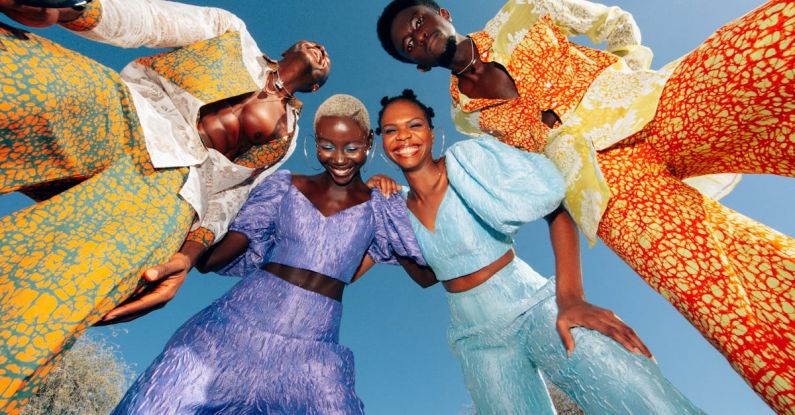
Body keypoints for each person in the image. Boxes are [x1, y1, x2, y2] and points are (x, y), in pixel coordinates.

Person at [376, 1, 795, 411]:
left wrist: (626, 74)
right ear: (420, 66)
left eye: (417, 22)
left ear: (442, 15)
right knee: (727, 310)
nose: (417, 35)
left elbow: (614, 23)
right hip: (612, 191)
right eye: (408, 44)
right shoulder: (467, 119)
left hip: (651, 104)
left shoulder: (522, 11)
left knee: (771, 46)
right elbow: (537, 181)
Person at [0, 0, 329, 411]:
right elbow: (151, 21)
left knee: (49, 298)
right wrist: (75, 9)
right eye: (316, 45)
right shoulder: (232, 33)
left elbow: (230, 197)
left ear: (315, 87)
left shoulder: (287, 137)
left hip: (172, 196)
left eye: (326, 60)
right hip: (126, 111)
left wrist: (188, 257)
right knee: (17, 77)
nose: (322, 51)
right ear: (288, 49)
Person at [370, 89, 703, 414]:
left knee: (629, 387)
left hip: (531, 304)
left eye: (413, 125)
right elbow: (427, 276)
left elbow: (554, 205)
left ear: (431, 132)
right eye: (390, 130)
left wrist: (571, 297)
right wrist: (376, 210)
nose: (403, 136)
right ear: (381, 143)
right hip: (475, 339)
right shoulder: (394, 208)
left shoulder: (467, 161)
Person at [111, 94, 434, 414]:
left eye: (351, 148)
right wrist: (189, 248)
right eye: (326, 146)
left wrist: (409, 191)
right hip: (229, 329)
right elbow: (218, 256)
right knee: (157, 404)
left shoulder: (383, 204)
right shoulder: (283, 185)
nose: (339, 158)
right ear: (315, 141)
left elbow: (426, 275)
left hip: (314, 352)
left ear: (368, 141)